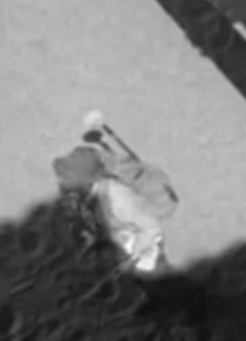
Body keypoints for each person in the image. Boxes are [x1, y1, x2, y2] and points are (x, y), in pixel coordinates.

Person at [54, 114, 204, 319]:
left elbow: (151, 227)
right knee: (145, 279)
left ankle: (193, 306)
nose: (65, 179)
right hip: (130, 246)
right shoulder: (97, 191)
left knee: (161, 278)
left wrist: (136, 254)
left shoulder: (118, 197)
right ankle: (160, 299)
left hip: (144, 249)